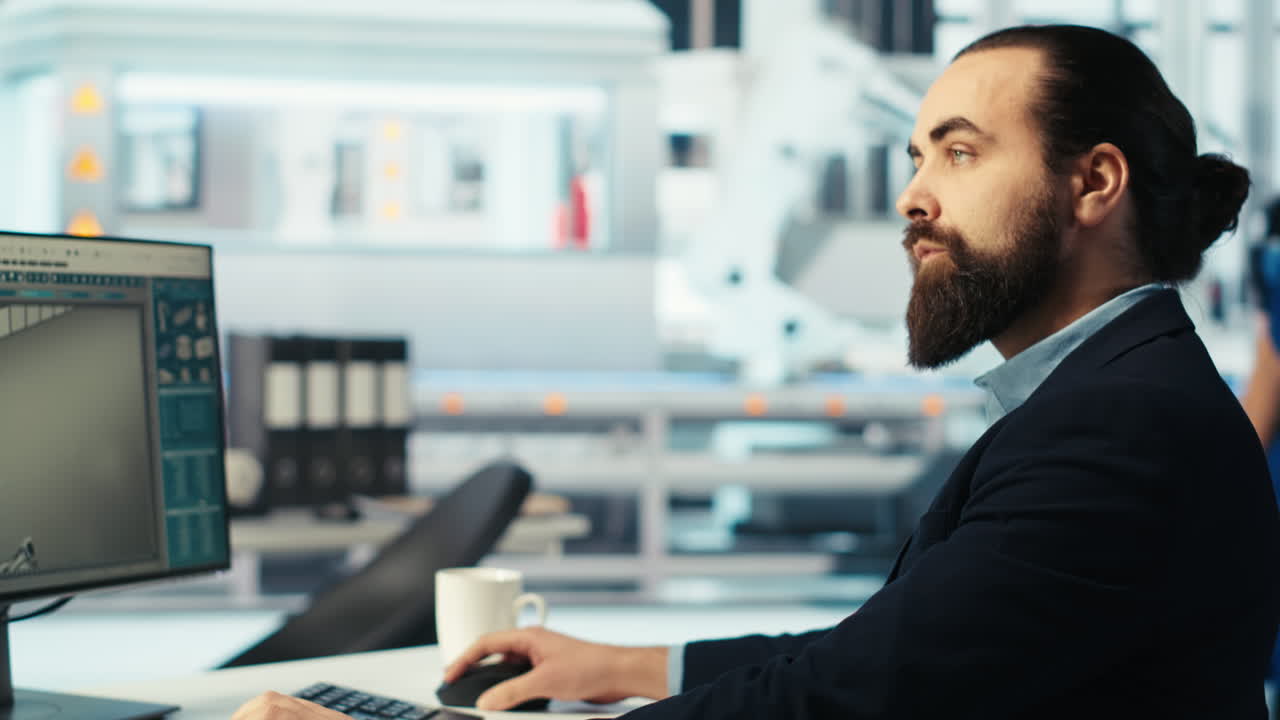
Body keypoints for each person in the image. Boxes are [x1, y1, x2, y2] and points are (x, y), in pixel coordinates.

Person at [232, 24, 1280, 720]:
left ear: (1093, 181)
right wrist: (635, 669)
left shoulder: (1120, 430)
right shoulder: (1115, 395)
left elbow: (862, 697)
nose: (912, 196)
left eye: (957, 154)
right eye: (912, 157)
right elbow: (900, 650)